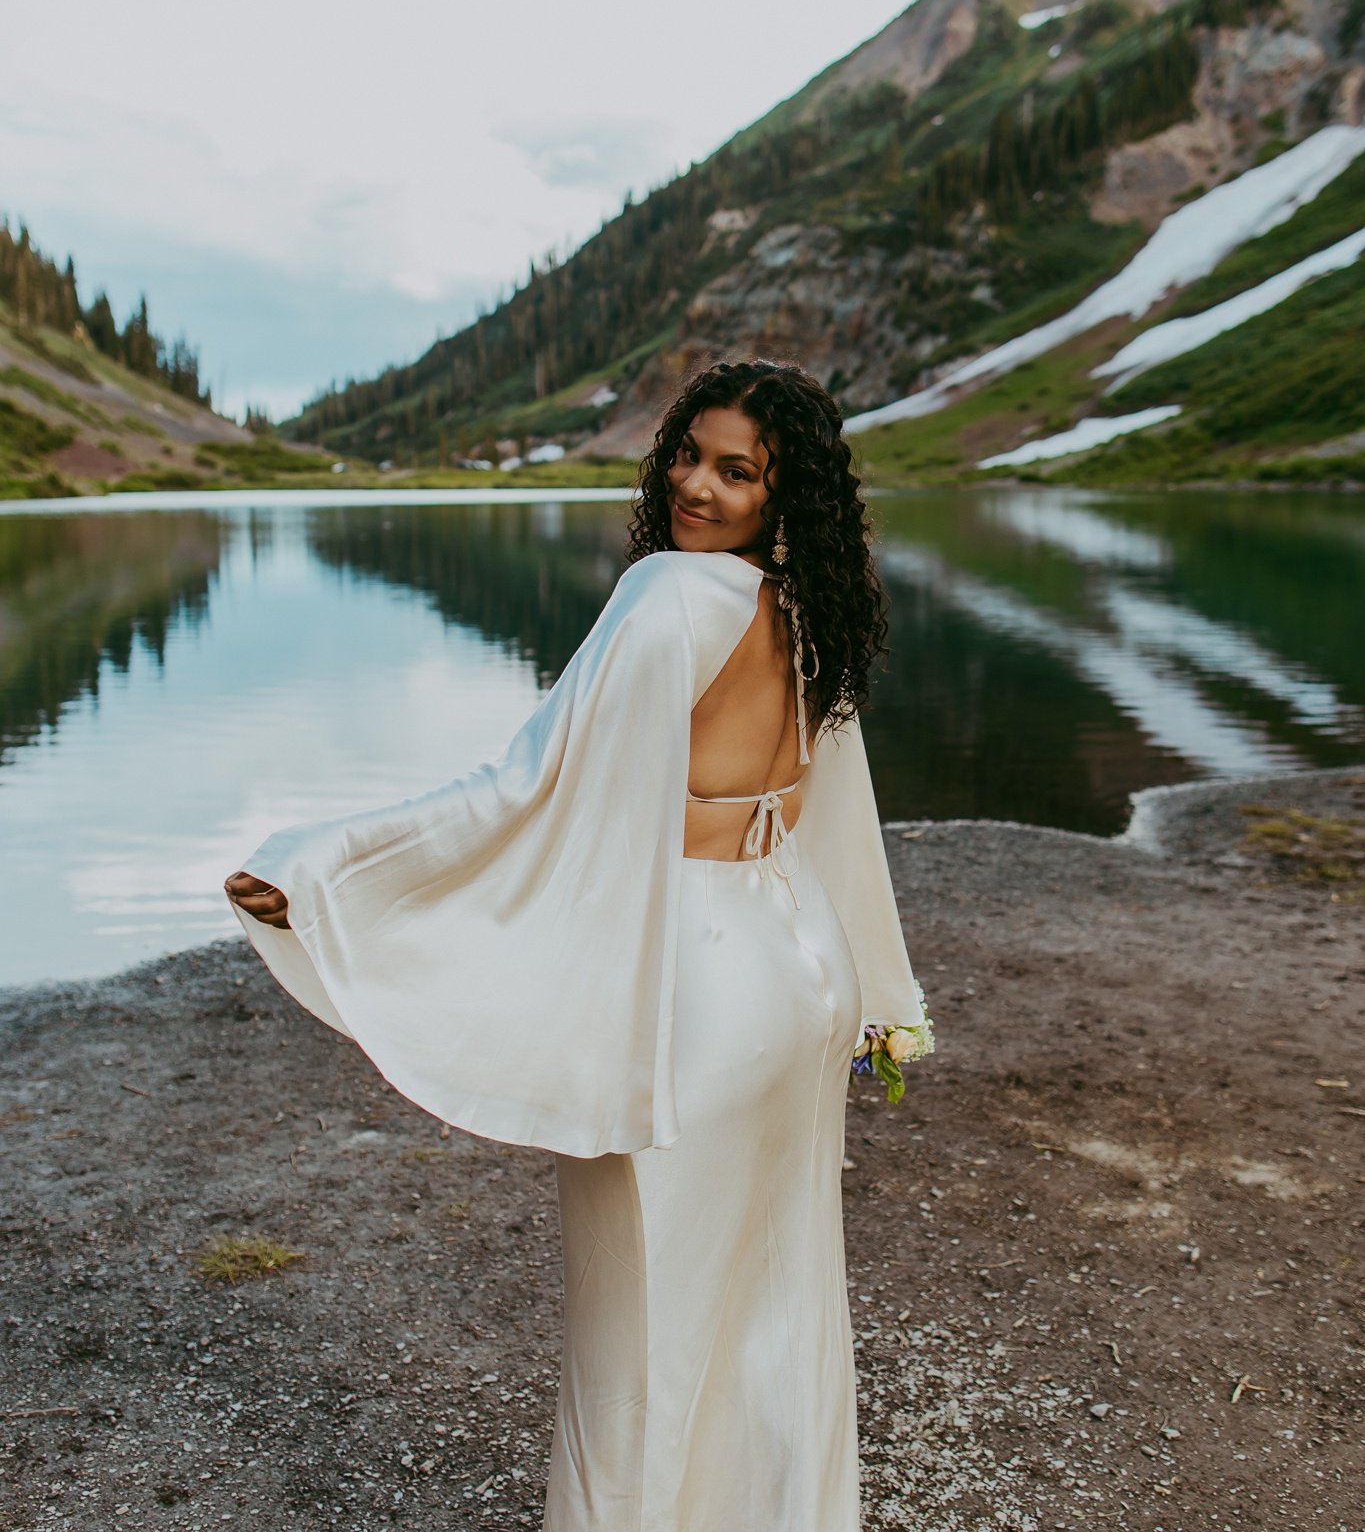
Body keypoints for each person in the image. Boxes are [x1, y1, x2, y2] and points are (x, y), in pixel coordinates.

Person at [226, 357, 931, 1532]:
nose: (695, 484)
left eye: (734, 469)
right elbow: (840, 818)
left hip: (701, 984)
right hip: (803, 972)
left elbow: (521, 787)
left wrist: (323, 866)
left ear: (780, 493)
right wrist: (884, 999)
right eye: (688, 454)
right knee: (785, 1296)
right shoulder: (815, 609)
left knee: (642, 1333)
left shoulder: (672, 593)